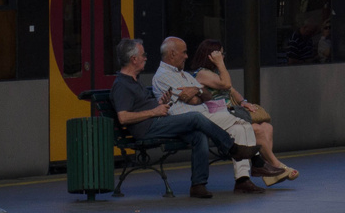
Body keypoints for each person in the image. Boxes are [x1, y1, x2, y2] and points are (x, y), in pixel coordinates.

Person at [109, 38, 259, 199]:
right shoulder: (122, 85)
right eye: (143, 54)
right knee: (195, 117)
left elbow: (141, 106)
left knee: (197, 134)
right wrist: (154, 112)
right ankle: (232, 148)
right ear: (134, 59)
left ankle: (198, 185)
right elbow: (123, 117)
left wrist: (160, 103)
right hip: (147, 128)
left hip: (156, 121)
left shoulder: (134, 81)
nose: (146, 57)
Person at [152, 38, 283, 190]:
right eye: (184, 52)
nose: (187, 56)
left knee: (240, 128)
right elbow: (192, 99)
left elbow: (204, 95)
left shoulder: (184, 75)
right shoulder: (163, 76)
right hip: (189, 120)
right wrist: (197, 93)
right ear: (172, 54)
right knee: (242, 122)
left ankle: (243, 180)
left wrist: (197, 90)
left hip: (204, 115)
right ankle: (257, 162)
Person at [191, 39, 298, 181]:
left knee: (267, 127)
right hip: (219, 116)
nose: (223, 57)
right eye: (220, 54)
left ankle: (267, 171)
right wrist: (220, 64)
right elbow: (226, 83)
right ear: (211, 56)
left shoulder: (216, 71)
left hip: (232, 112)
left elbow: (231, 90)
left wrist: (243, 102)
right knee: (257, 130)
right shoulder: (202, 73)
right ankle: (277, 165)